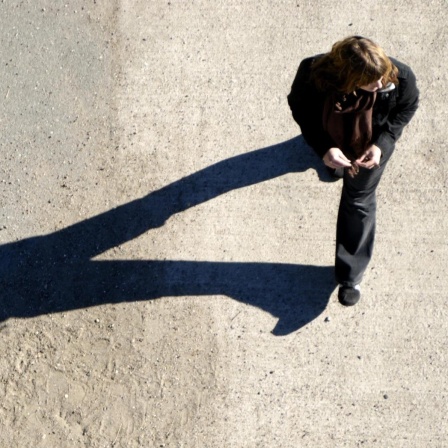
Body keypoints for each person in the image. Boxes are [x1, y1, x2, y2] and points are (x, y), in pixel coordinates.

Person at [287, 36, 419, 306]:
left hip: (370, 145)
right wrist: (324, 148)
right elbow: (300, 108)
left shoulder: (399, 75)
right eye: (373, 82)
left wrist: (382, 144)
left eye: (383, 77)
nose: (382, 84)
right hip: (332, 132)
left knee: (358, 201)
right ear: (348, 77)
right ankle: (332, 160)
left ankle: (350, 276)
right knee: (332, 162)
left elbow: (407, 106)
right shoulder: (313, 74)